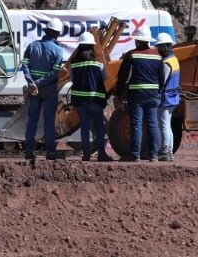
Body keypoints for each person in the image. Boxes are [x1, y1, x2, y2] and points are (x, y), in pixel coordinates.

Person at [20, 17, 66, 165]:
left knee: (32, 120)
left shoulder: (32, 46)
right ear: (57, 34)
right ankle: (50, 152)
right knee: (48, 122)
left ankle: (28, 151)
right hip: (49, 90)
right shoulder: (58, 50)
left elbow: (24, 65)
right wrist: (38, 83)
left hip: (34, 91)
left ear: (47, 31)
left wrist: (31, 82)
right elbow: (54, 73)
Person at [115, 27, 165, 162]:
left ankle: (135, 155)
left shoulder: (131, 55)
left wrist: (119, 93)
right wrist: (158, 92)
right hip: (153, 95)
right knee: (152, 124)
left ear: (137, 40)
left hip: (136, 95)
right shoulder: (158, 56)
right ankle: (154, 155)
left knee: (136, 124)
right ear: (148, 41)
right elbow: (162, 78)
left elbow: (122, 77)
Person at [68, 33, 111, 162]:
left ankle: (86, 155)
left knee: (85, 127)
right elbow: (104, 78)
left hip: (80, 102)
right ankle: (101, 154)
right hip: (95, 101)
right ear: (92, 47)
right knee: (99, 127)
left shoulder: (73, 65)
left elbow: (72, 80)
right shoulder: (98, 65)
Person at [155, 32, 180, 162]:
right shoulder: (174, 60)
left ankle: (164, 150)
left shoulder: (166, 63)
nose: (158, 50)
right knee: (168, 125)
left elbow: (162, 81)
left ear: (165, 47)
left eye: (159, 47)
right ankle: (169, 151)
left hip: (166, 97)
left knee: (163, 125)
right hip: (173, 97)